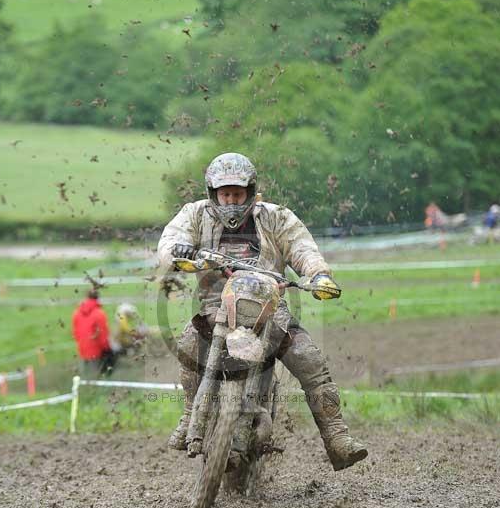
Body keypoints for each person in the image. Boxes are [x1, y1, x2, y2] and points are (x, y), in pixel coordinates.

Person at [157, 152, 368, 472]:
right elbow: (171, 240)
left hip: (271, 309)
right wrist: (181, 253)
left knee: (309, 360)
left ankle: (337, 437)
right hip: (216, 308)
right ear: (212, 193)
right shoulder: (195, 214)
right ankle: (190, 412)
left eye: (237, 194)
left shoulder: (276, 217)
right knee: (187, 345)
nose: (230, 202)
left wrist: (318, 276)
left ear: (251, 192)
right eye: (225, 194)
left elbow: (302, 248)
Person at [71, 289, 113, 377]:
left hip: (82, 348)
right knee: (96, 375)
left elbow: (75, 333)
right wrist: (107, 348)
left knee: (84, 375)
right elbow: (103, 335)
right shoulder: (99, 314)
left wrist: (82, 343)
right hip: (96, 350)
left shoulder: (77, 313)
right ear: (98, 298)